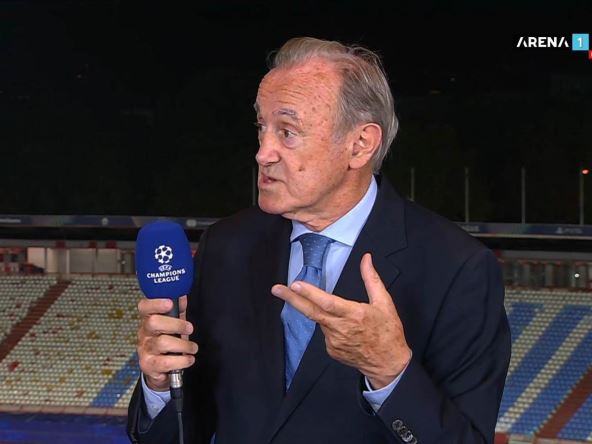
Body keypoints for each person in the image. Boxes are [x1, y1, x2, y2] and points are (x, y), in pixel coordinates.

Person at [127, 37, 511, 444]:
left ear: (360, 145)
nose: (263, 153)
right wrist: (160, 385)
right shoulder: (227, 245)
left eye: (287, 132)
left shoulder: (459, 269)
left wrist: (390, 373)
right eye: (262, 128)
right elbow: (187, 427)